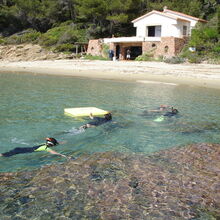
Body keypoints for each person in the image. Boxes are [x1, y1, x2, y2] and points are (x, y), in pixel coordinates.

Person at [0, 137, 69, 158]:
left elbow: (54, 143)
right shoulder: (46, 148)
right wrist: (63, 155)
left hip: (22, 149)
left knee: (6, 154)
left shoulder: (44, 145)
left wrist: (61, 142)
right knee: (4, 155)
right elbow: (54, 152)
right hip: (24, 150)